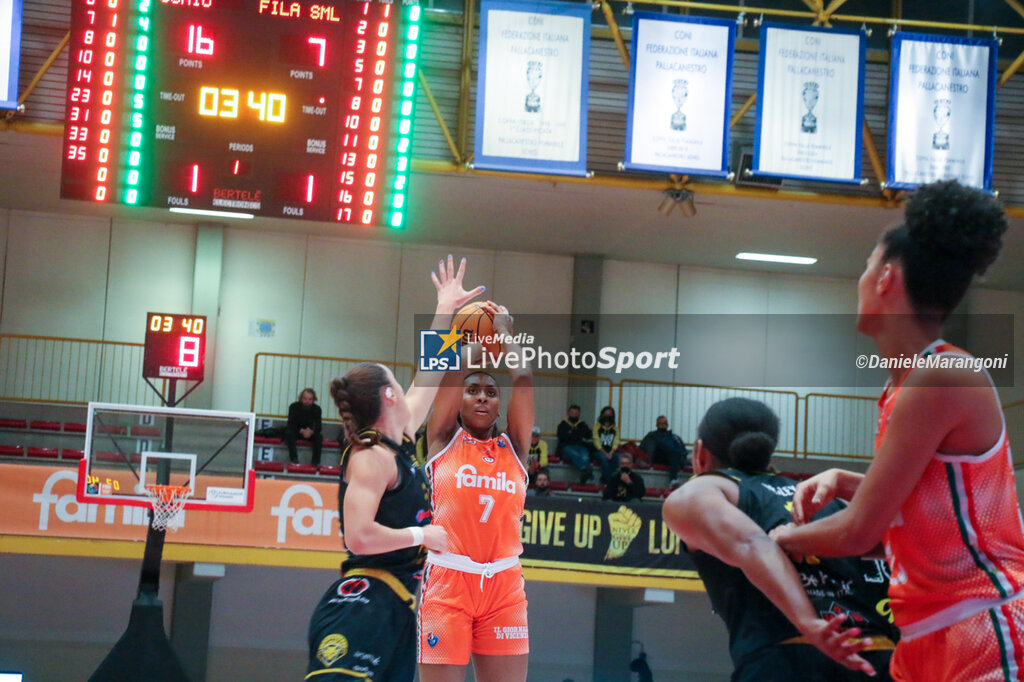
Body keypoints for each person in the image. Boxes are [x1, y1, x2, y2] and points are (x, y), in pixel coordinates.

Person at [770, 180, 1018, 682]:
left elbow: (860, 531)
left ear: (885, 279)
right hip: (925, 637)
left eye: (865, 267)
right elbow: (929, 511)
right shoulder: (903, 385)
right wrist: (847, 481)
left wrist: (781, 539)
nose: (858, 280)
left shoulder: (941, 375)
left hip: (983, 624)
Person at [305, 255, 483, 681]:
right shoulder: (370, 458)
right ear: (388, 396)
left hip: (399, 603)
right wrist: (423, 535)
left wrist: (446, 310)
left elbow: (429, 375)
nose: (406, 389)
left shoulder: (398, 441)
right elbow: (360, 536)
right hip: (362, 603)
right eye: (396, 381)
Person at [663, 398, 897, 681]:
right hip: (875, 657)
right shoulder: (823, 497)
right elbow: (900, 541)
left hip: (786, 658)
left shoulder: (705, 490)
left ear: (700, 454)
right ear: (769, 454)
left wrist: (809, 622)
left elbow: (754, 544)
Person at [420, 302, 534, 682]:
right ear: (460, 402)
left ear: (500, 408)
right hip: (448, 581)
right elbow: (452, 372)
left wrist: (505, 335)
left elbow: (523, 378)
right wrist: (477, 342)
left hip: (504, 585)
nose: (482, 396)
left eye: (490, 392)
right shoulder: (442, 440)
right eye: (473, 391)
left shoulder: (514, 447)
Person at [640, 415, 689, 486]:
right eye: (660, 424)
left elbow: (683, 449)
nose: (662, 426)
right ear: (657, 425)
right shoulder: (651, 436)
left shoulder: (674, 437)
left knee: (675, 452)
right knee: (673, 450)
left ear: (667, 425)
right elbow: (644, 448)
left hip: (673, 458)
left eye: (664, 424)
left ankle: (673, 479)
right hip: (658, 457)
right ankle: (673, 479)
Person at [556, 405, 596, 483]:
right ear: (568, 413)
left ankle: (584, 472)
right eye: (572, 413)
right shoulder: (562, 425)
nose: (574, 415)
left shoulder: (582, 424)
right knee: (574, 454)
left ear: (579, 414)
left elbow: (589, 435)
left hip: (580, 446)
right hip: (566, 447)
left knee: (585, 456)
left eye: (576, 413)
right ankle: (586, 470)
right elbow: (561, 437)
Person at [285, 388, 323, 465]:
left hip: (310, 433)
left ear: (313, 400)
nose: (307, 402)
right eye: (305, 399)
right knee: (289, 433)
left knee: (319, 437)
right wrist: (301, 430)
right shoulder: (293, 407)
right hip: (297, 431)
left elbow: (318, 426)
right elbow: (290, 424)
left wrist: (311, 431)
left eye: (310, 399)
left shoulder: (317, 409)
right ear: (301, 398)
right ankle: (294, 459)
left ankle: (315, 462)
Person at [592, 405, 621, 482]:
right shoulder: (597, 427)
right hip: (599, 451)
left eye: (610, 414)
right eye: (606, 414)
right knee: (604, 459)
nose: (608, 416)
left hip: (610, 451)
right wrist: (605, 453)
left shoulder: (615, 428)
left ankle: (606, 478)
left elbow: (616, 441)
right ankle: (608, 481)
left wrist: (611, 452)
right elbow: (596, 441)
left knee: (617, 458)